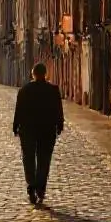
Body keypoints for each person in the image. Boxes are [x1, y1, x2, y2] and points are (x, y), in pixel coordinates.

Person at [12, 62, 64, 205]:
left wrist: (15, 126)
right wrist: (59, 125)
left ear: (33, 74)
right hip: (47, 130)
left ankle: (31, 187)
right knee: (44, 160)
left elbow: (19, 111)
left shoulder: (24, 90)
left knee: (28, 159)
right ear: (45, 74)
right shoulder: (53, 90)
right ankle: (40, 188)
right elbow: (58, 110)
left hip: (28, 130)